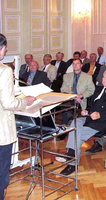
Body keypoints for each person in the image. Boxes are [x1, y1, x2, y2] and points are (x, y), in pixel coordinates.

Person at [57, 69, 106, 175]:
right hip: (90, 117)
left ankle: (71, 163)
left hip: (104, 121)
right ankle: (71, 154)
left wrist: (100, 115)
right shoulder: (98, 89)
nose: (104, 79)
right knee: (75, 122)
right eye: (103, 77)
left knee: (76, 133)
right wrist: (87, 110)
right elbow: (92, 105)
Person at [0, 33, 35, 200]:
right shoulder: (4, 70)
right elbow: (8, 103)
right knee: (1, 175)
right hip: (1, 132)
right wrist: (25, 102)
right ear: (2, 48)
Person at [60, 59, 95, 125]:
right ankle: (67, 124)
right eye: (73, 64)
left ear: (81, 65)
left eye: (77, 63)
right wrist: (75, 96)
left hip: (81, 100)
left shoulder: (88, 77)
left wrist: (81, 95)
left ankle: (67, 125)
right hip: (70, 98)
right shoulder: (66, 76)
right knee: (66, 106)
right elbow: (63, 89)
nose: (75, 65)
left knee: (68, 108)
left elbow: (91, 90)